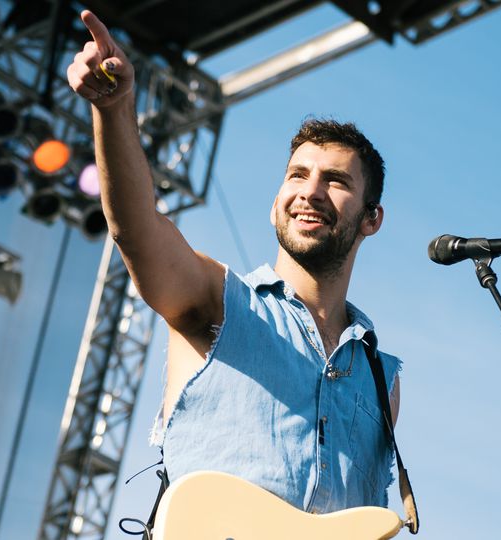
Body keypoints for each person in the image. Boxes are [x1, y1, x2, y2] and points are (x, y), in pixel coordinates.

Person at [66, 10, 402, 513]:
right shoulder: (219, 300)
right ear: (275, 205)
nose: (310, 192)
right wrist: (114, 110)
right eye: (296, 175)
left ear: (371, 219)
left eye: (335, 180)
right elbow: (136, 229)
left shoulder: (383, 379)